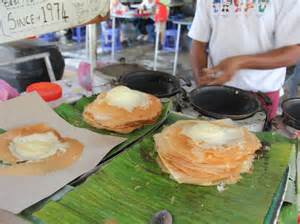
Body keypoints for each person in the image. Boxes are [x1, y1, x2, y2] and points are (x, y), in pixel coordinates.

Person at [189, 0, 300, 120]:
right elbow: (198, 43)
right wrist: (201, 80)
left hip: (261, 94)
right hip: (215, 89)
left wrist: (240, 62)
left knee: (254, 137)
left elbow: (294, 53)